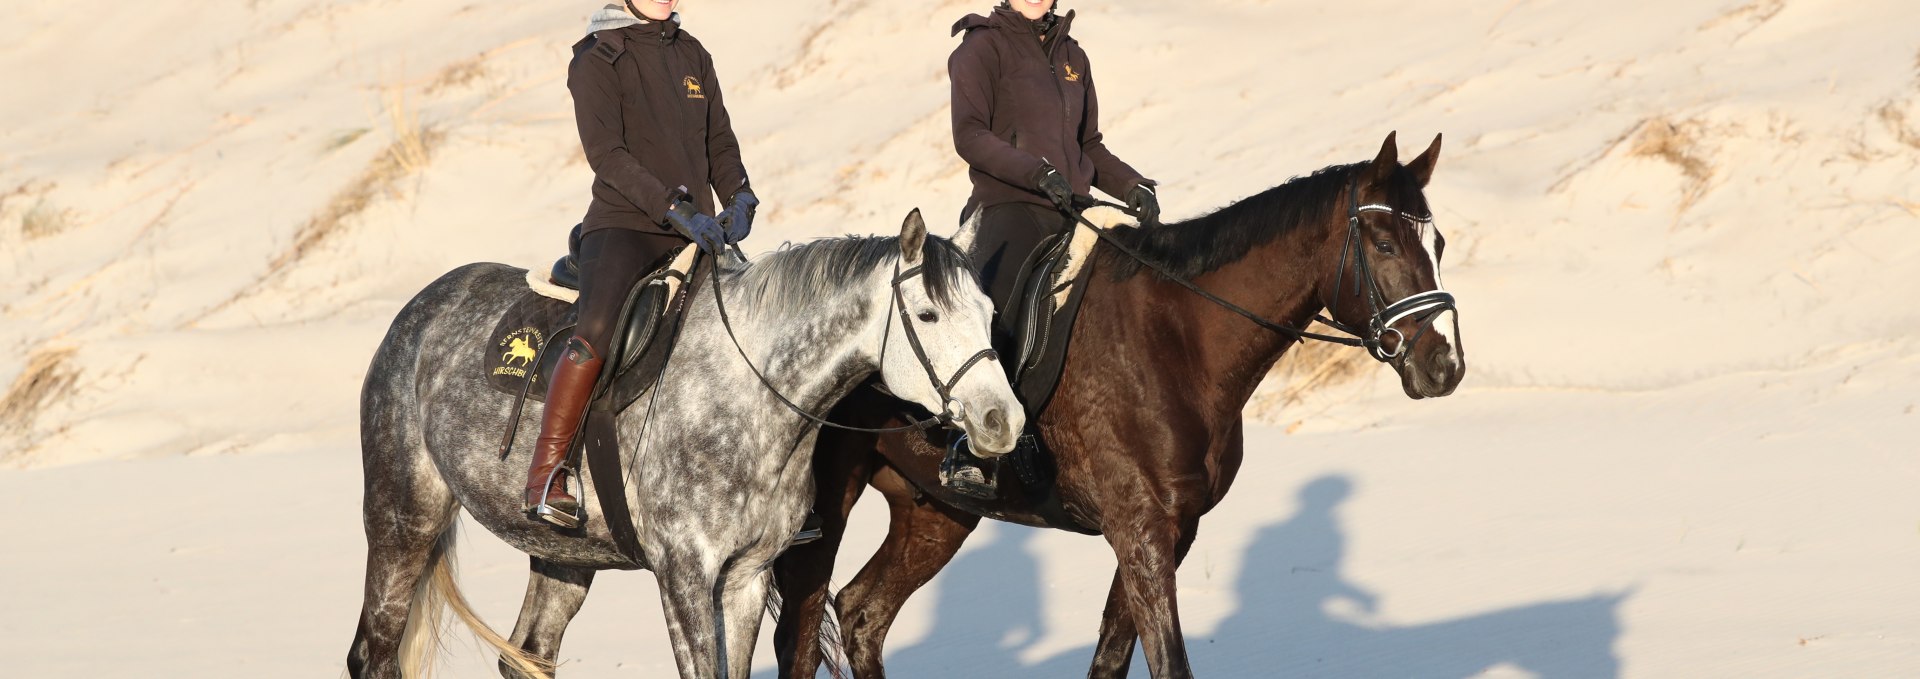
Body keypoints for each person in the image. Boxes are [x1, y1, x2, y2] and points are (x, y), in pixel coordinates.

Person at [525, 0, 758, 527]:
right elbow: (607, 155)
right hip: (626, 224)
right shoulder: (596, 59)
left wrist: (740, 196)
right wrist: (673, 208)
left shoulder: (693, 53)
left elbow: (719, 141)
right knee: (598, 328)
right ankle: (547, 473)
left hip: (696, 230)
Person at [948, 0, 1159, 322]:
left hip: (1074, 207)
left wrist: (1132, 185)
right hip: (1010, 205)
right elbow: (970, 135)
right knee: (995, 317)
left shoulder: (1073, 55)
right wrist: (1036, 173)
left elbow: (1087, 144)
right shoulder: (982, 46)